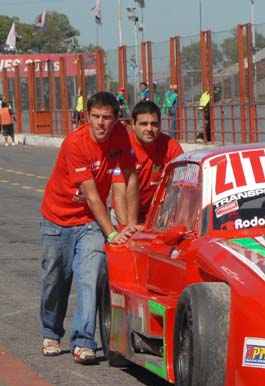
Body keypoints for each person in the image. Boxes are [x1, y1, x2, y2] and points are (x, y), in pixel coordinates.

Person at [40, 91, 139, 364]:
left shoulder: (120, 137)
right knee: (55, 280)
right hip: (57, 219)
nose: (100, 123)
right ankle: (50, 330)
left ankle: (83, 340)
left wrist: (130, 225)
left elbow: (127, 179)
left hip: (89, 223)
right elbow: (93, 195)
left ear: (116, 119)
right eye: (95, 117)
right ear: (88, 116)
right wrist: (113, 232)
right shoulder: (75, 143)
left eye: (107, 118)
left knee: (89, 276)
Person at [112, 101, 184, 225]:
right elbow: (118, 194)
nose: (149, 129)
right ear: (133, 124)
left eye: (154, 124)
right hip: (124, 212)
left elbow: (184, 186)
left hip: (157, 215)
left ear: (160, 125)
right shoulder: (122, 146)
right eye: (144, 124)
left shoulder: (171, 146)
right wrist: (127, 228)